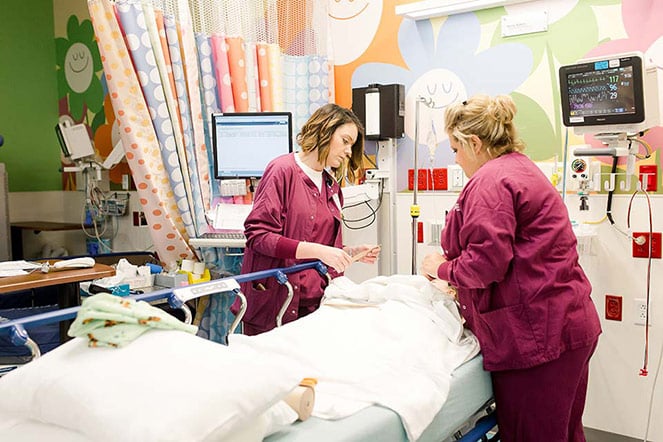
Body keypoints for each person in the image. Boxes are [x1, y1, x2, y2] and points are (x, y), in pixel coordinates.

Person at [421, 94, 601, 442]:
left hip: (538, 338)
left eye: (455, 149)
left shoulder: (490, 182)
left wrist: (441, 268)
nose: (455, 159)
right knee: (563, 433)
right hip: (566, 323)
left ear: (474, 143)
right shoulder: (519, 168)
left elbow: (485, 264)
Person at [232, 103, 380, 336]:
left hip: (312, 305)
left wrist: (348, 253)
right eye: (345, 141)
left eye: (351, 145)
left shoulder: (331, 187)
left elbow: (320, 245)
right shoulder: (282, 171)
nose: (349, 152)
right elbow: (258, 236)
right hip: (276, 303)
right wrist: (320, 251)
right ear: (325, 130)